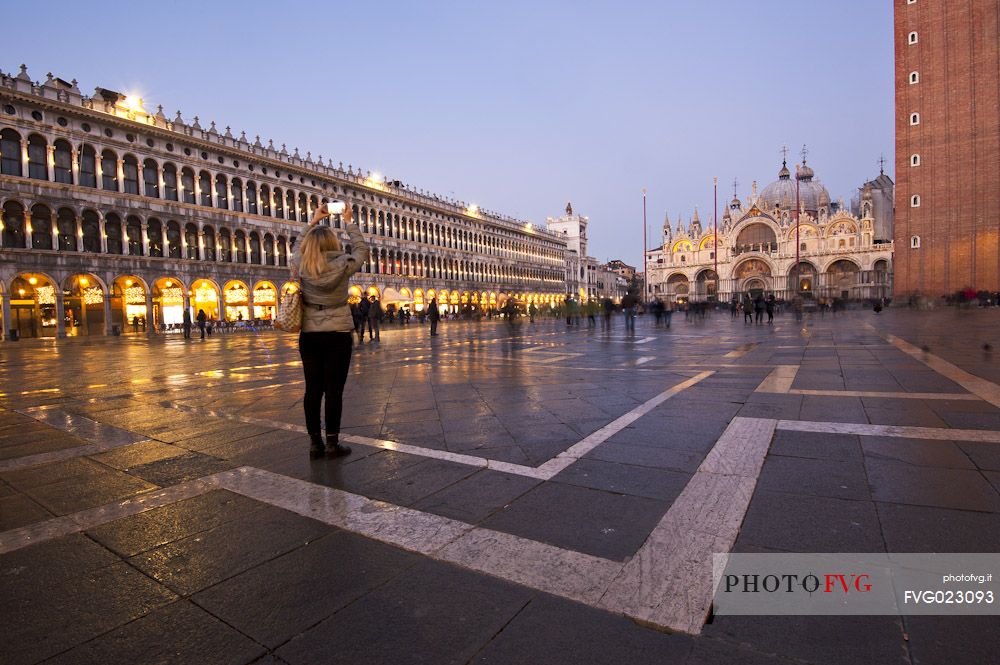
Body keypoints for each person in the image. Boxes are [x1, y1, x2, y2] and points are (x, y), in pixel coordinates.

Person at [291, 202, 369, 459]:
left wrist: (313, 221)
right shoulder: (344, 264)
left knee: (313, 389)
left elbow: (295, 246)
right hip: (337, 333)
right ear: (333, 245)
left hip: (310, 334)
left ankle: (315, 443)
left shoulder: (301, 263)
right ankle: (333, 443)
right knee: (334, 390)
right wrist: (348, 221)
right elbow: (362, 250)